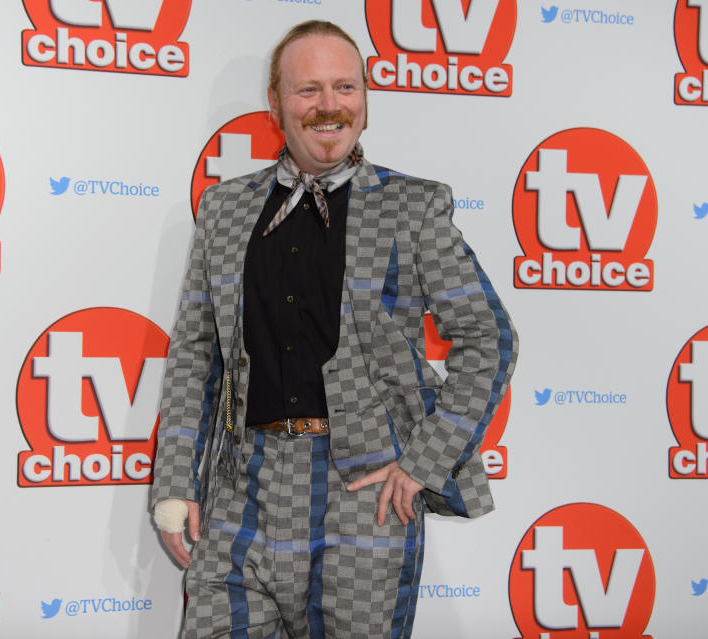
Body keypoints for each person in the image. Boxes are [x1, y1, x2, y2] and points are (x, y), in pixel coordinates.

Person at [152, 19, 517, 639]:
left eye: (345, 88)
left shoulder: (412, 206)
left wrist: (423, 462)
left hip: (364, 498)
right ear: (276, 103)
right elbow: (195, 355)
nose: (329, 107)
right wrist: (175, 483)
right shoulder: (224, 209)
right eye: (309, 90)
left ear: (366, 102)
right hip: (244, 489)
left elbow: (489, 340)